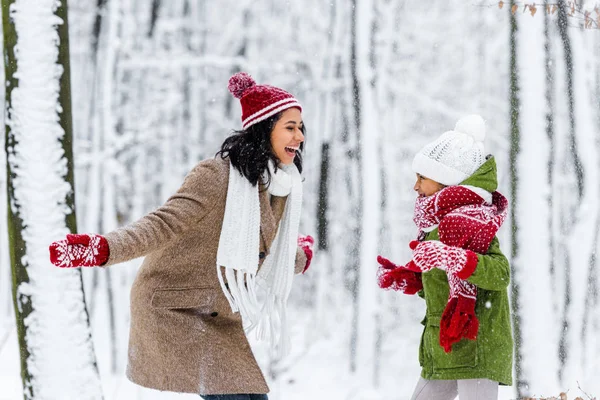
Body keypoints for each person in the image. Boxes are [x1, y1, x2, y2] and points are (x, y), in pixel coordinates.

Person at [49, 72, 314, 400]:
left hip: (218, 314)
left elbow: (268, 250)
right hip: (174, 306)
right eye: (290, 126)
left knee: (252, 396)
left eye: (300, 127)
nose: (299, 136)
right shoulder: (217, 177)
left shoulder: (279, 185)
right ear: (264, 128)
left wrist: (302, 256)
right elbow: (163, 223)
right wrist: (103, 248)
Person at [377, 115, 512, 400]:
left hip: (477, 346)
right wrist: (413, 280)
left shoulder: (473, 221)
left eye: (422, 178)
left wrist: (453, 258)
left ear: (447, 180)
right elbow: (443, 284)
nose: (416, 187)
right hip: (445, 346)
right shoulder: (437, 225)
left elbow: (500, 274)